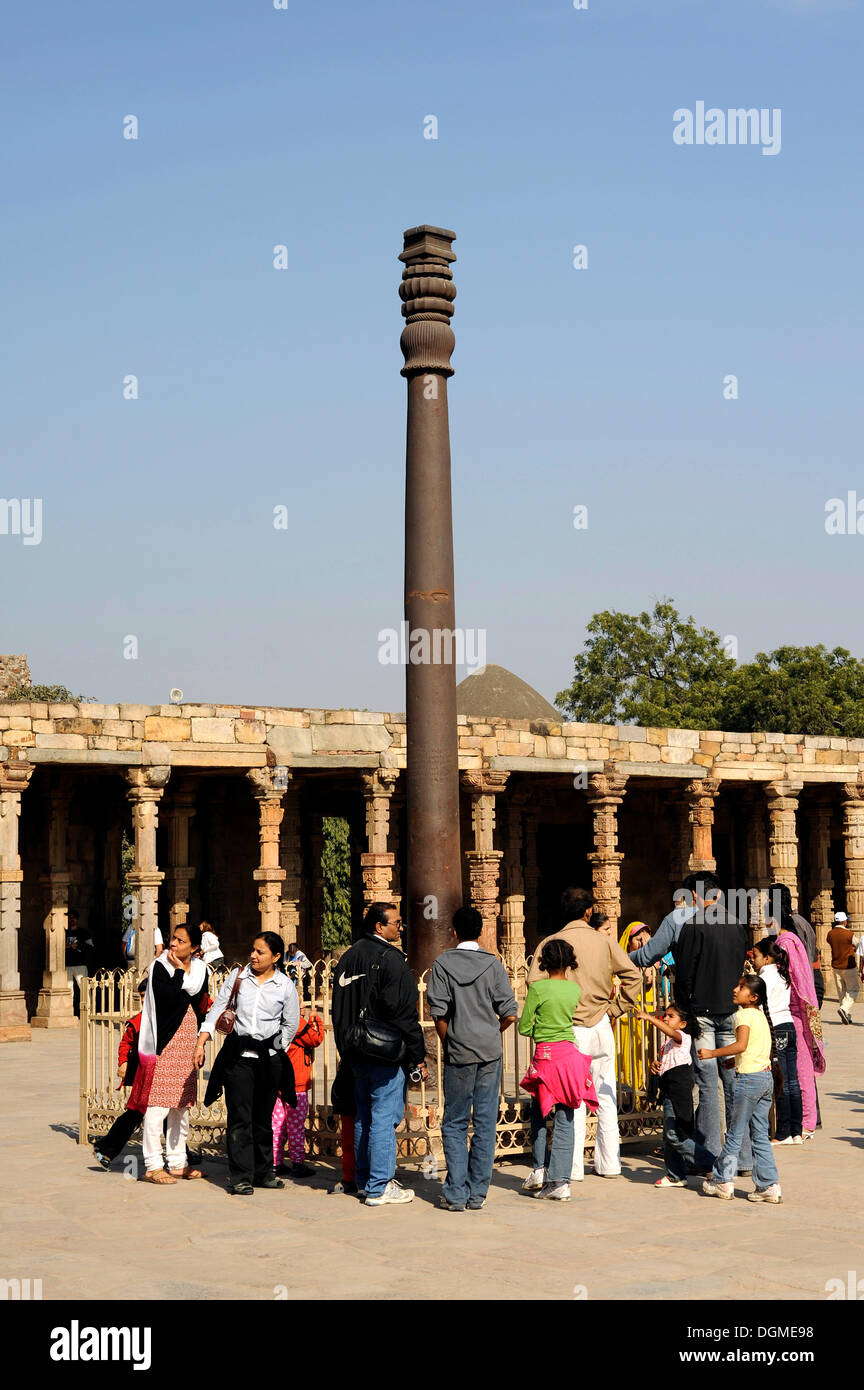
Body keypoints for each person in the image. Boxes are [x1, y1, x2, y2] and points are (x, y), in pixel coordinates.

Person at [528, 886, 642, 1181]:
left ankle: (573, 1167)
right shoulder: (603, 942)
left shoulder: (552, 942)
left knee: (572, 1099)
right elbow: (633, 975)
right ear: (588, 911)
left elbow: (533, 982)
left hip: (569, 1027)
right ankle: (609, 1164)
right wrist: (615, 1009)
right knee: (606, 1093)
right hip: (601, 1022)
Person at [331, 903, 427, 1207]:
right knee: (384, 1119)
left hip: (354, 1049)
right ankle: (379, 1185)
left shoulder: (348, 957)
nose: (400, 928)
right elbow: (403, 1014)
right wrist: (418, 1055)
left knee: (364, 1116)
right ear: (378, 927)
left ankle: (363, 1180)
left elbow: (339, 1008)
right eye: (396, 923)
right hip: (384, 1052)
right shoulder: (391, 960)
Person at [426, 906, 518, 1212]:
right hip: (489, 1050)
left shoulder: (442, 964)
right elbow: (509, 1012)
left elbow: (438, 1012)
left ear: (453, 931)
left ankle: (455, 1193)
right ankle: (477, 1192)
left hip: (459, 1049)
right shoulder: (492, 965)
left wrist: (450, 1041)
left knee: (454, 1122)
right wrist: (492, 1029)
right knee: (485, 1122)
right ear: (480, 932)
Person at [196, 932, 300, 1195]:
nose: (253, 956)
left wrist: (277, 1049)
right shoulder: (238, 977)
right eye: (253, 950)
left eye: (260, 952)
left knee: (262, 1118)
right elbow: (218, 1008)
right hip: (238, 1058)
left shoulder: (284, 986)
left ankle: (264, 1172)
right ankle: (240, 1175)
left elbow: (290, 1024)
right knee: (240, 1118)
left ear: (276, 957)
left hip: (268, 1060)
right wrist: (202, 1040)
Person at [673, 873, 749, 1168]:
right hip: (732, 1011)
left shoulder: (694, 925)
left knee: (707, 1085)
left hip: (702, 1014)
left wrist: (684, 1007)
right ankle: (741, 1158)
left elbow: (684, 973)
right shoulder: (737, 925)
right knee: (732, 1083)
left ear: (699, 895)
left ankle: (711, 1155)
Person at [127, 924, 210, 1185]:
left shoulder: (200, 970)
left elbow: (199, 1002)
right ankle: (152, 1164)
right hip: (164, 1042)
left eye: (180, 940)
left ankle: (177, 1162)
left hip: (187, 1041)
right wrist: (176, 971)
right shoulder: (160, 967)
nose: (173, 944)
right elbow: (168, 998)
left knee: (181, 1106)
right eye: (172, 938)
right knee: (158, 1105)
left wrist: (200, 1042)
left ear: (194, 948)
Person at [519, 938, 596, 1201]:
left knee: (540, 1114)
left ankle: (540, 1169)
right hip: (570, 1056)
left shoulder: (538, 989)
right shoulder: (574, 990)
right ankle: (560, 1181)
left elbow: (524, 1027)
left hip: (546, 1057)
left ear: (543, 962)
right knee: (567, 1118)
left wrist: (539, 1030)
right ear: (570, 962)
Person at [700, 974, 783, 1204]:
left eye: (742, 987)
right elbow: (752, 1051)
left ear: (753, 997)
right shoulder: (759, 1015)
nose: (735, 989)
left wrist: (712, 1053)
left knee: (735, 1133)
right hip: (765, 1079)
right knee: (760, 1135)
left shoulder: (743, 1015)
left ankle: (722, 1180)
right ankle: (769, 1185)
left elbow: (741, 1045)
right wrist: (733, 1061)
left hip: (749, 1082)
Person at [636, 999, 709, 1187]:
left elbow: (670, 1031)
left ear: (683, 1023)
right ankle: (675, 1175)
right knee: (668, 1137)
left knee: (675, 1135)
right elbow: (668, 1061)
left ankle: (713, 1163)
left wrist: (650, 1018)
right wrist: (656, 1066)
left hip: (679, 1092)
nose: (666, 1019)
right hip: (668, 1089)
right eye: (665, 1016)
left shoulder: (683, 1037)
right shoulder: (667, 1043)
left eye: (671, 1016)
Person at [772, 905, 826, 1140]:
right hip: (798, 1009)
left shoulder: (786, 942)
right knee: (798, 1070)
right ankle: (806, 1122)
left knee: (798, 1070)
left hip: (794, 1010)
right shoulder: (792, 938)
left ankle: (806, 1122)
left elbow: (790, 977)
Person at [752, 937, 802, 1145]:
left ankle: (783, 1132)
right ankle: (796, 1130)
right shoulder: (782, 975)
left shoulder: (765, 978)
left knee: (781, 1081)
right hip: (789, 1026)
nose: (754, 960)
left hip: (776, 1028)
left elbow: (763, 1007)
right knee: (793, 1080)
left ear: (767, 957)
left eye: (756, 956)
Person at [272, 1008, 324, 1178]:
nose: (301, 1007)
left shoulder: (274, 1020)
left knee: (277, 1125)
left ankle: (275, 1163)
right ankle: (298, 1163)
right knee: (295, 1127)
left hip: (278, 1082)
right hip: (296, 1085)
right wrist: (314, 1018)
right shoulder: (296, 1022)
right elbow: (315, 1038)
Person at [768, 883, 823, 1008]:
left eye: (769, 899)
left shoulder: (791, 927)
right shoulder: (801, 921)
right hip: (808, 983)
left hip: (801, 988)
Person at [328, 1060, 359, 1196]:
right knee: (349, 1138)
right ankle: (350, 1177)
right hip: (350, 1081)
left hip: (356, 1078)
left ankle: (356, 1178)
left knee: (356, 1137)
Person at [826, 911, 859, 1024]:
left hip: (836, 966)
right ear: (844, 921)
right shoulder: (849, 934)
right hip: (848, 966)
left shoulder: (830, 934)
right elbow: (858, 944)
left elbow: (831, 942)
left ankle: (845, 1015)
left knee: (842, 991)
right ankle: (844, 1009)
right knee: (853, 989)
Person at [65, 911, 96, 1014]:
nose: (72, 920)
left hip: (80, 965)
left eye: (74, 918)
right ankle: (68, 1013)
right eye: (70, 918)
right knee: (68, 990)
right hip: (67, 965)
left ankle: (89, 1012)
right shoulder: (63, 932)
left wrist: (79, 945)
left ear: (77, 920)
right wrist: (69, 946)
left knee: (84, 988)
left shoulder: (83, 933)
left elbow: (91, 947)